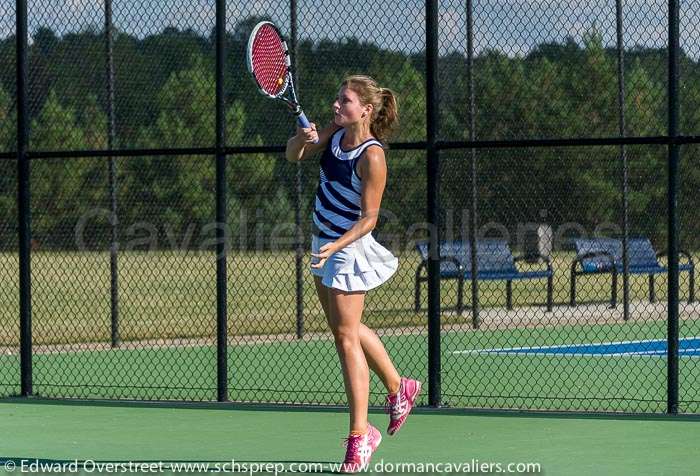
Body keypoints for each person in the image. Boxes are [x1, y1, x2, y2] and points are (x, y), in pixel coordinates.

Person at [285, 75, 422, 473]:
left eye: (344, 101)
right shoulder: (334, 134)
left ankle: (360, 437)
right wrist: (302, 137)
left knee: (346, 337)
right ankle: (400, 388)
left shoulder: (372, 156)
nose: (335, 105)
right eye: (335, 98)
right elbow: (294, 155)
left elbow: (369, 219)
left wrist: (337, 246)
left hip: (348, 247)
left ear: (365, 109)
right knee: (343, 327)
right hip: (322, 241)